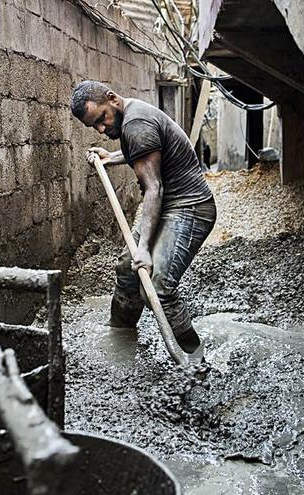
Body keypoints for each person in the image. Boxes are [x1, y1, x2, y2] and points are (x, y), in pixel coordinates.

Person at [70, 80, 216, 353]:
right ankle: (121, 339)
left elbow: (154, 188)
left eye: (102, 118)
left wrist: (145, 249)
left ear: (112, 99)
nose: (102, 129)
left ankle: (193, 357)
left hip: (190, 208)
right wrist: (111, 157)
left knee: (159, 285)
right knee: (128, 268)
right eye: (95, 126)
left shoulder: (136, 124)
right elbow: (146, 152)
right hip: (169, 205)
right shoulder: (132, 115)